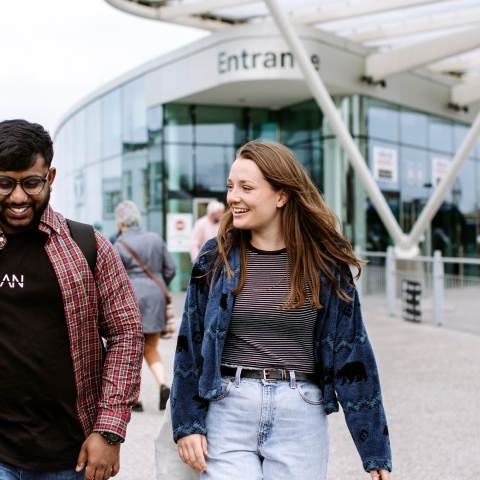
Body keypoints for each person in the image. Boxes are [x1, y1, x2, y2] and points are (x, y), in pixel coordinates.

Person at [171, 140, 392, 480]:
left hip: (300, 414)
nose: (233, 197)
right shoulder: (215, 258)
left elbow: (353, 354)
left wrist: (375, 451)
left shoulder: (325, 262)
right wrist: (187, 424)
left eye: (246, 187)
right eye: (231, 187)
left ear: (281, 195)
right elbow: (190, 346)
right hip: (228, 408)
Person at [0, 119, 144, 480]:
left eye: (31, 183)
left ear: (50, 176)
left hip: (71, 453)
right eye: (4, 183)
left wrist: (109, 430)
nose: (18, 197)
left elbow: (126, 333)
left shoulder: (88, 245)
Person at [114, 200, 176, 412]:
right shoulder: (155, 238)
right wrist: (157, 288)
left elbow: (113, 277)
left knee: (132, 348)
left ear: (120, 221)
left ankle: (136, 399)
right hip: (155, 297)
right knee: (150, 347)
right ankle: (162, 384)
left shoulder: (119, 244)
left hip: (130, 298)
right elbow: (171, 268)